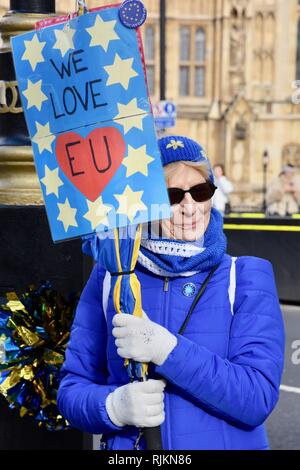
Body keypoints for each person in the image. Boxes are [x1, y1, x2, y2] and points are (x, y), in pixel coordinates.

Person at [57, 135, 285, 450]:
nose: (190, 207)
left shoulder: (245, 276)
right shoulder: (112, 274)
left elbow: (256, 398)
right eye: (172, 195)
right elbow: (72, 389)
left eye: (201, 192)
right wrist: (113, 406)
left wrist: (168, 350)